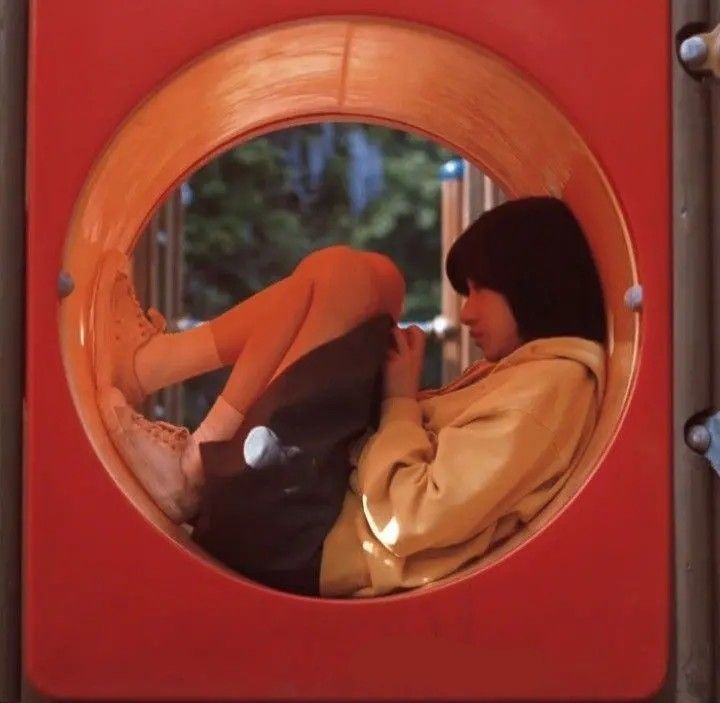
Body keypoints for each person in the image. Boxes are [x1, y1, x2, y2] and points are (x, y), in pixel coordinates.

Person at [95, 196, 606, 598]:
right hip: (320, 507)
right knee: (375, 277)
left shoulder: (550, 390)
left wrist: (400, 401)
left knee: (340, 273)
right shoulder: (531, 373)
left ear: (531, 283)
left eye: (478, 291)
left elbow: (410, 518)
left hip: (306, 538)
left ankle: (184, 454)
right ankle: (154, 374)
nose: (467, 314)